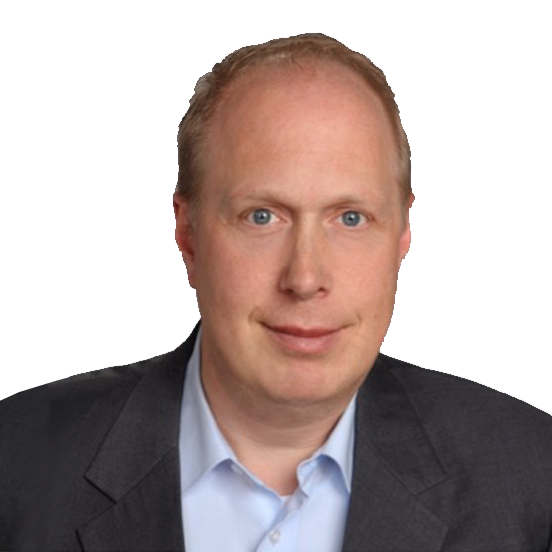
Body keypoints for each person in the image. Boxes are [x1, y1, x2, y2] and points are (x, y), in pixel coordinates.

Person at [1, 32, 551, 552]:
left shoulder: (533, 478)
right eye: (261, 216)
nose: (305, 278)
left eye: (351, 218)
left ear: (404, 232)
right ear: (188, 233)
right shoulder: (13, 467)